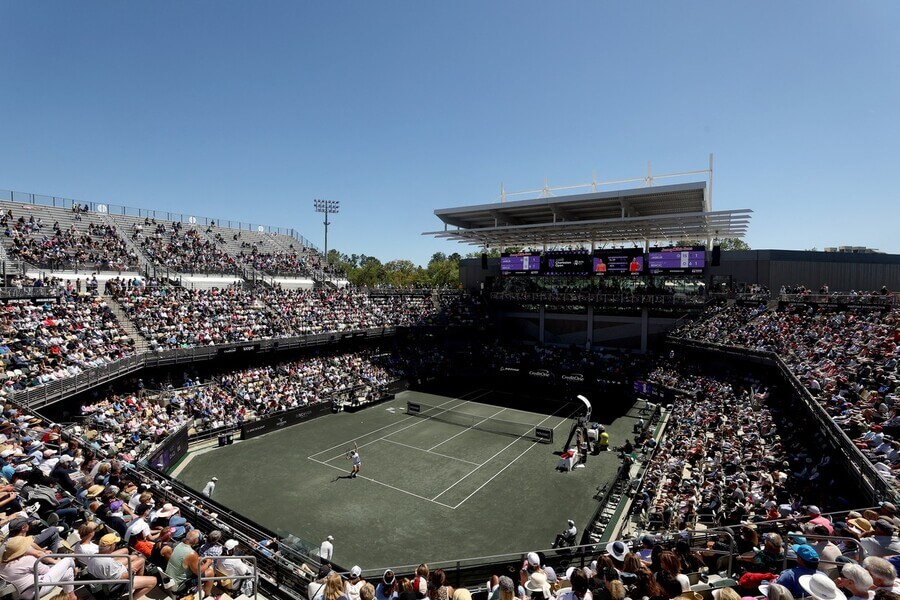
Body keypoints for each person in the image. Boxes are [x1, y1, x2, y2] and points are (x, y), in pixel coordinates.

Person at [87, 533, 158, 599]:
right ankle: (132, 597)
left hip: (109, 576)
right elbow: (121, 578)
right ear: (111, 546)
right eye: (115, 543)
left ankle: (139, 583)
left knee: (140, 560)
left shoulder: (92, 556)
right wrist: (130, 571)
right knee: (154, 581)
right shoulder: (108, 563)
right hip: (118, 584)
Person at [165, 529, 215, 597]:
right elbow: (198, 572)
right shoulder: (192, 554)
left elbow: (185, 559)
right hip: (180, 585)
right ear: (195, 540)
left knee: (202, 565)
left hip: (170, 577)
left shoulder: (179, 544)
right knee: (210, 572)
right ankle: (208, 594)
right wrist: (208, 562)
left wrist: (198, 558)